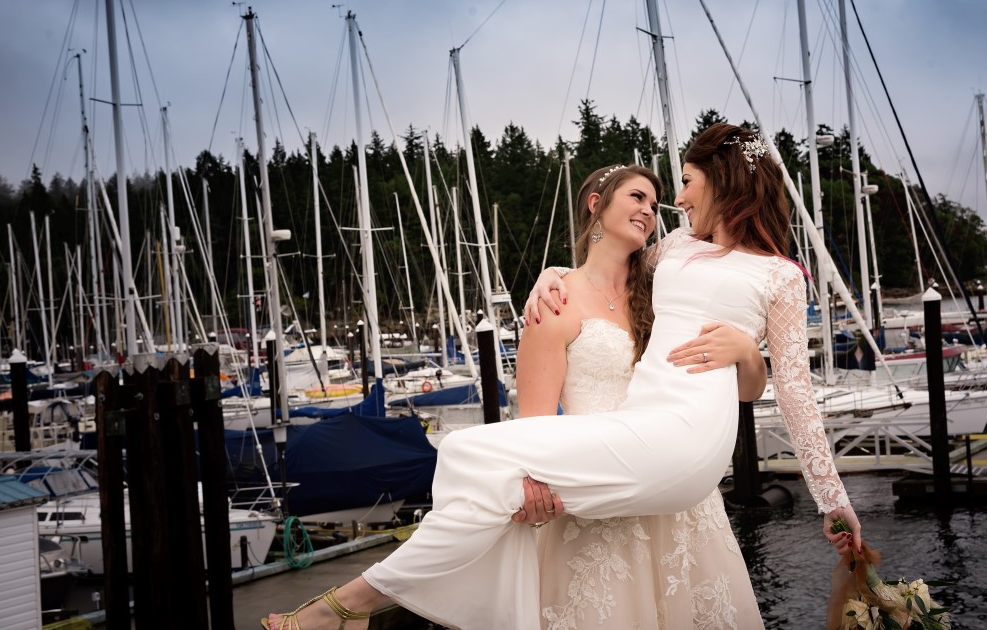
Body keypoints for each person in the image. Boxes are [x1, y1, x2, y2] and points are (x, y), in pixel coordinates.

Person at [263, 123, 861, 630]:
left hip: (689, 438)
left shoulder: (781, 276)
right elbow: (603, 259)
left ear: (724, 177)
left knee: (471, 454)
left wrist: (832, 500)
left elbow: (796, 398)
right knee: (471, 459)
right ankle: (353, 608)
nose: (676, 198)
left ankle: (340, 609)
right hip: (643, 429)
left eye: (684, 180)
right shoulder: (675, 250)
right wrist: (549, 273)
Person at [518, 163, 767, 628]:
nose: (649, 211)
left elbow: (746, 391)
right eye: (637, 198)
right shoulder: (555, 302)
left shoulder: (665, 292)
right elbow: (533, 423)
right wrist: (534, 492)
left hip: (676, 493)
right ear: (596, 204)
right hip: (595, 497)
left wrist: (749, 351)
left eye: (654, 205)